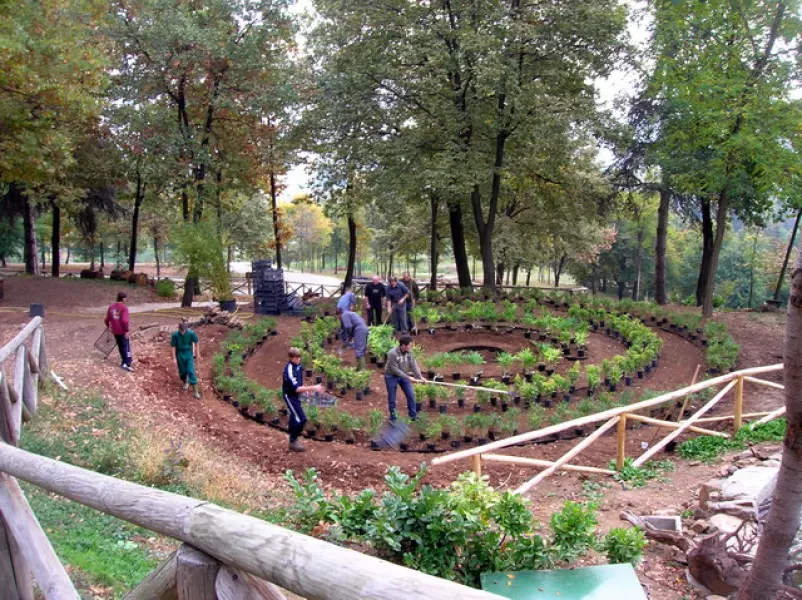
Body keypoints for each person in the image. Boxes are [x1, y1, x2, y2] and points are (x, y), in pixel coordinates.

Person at [282, 347, 325, 452]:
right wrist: (314, 387)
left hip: (296, 396)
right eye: (297, 358)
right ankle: (293, 440)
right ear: (292, 358)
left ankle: (292, 439)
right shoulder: (289, 370)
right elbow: (296, 388)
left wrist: (306, 391)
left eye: (299, 358)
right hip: (290, 396)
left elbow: (299, 384)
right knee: (301, 419)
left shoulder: (298, 366)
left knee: (294, 416)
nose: (299, 360)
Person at [384, 336, 424, 421]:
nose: (410, 347)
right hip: (391, 376)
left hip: (404, 375)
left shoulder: (409, 353)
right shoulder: (392, 353)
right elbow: (395, 370)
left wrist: (420, 376)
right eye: (409, 345)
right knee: (392, 398)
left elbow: (414, 365)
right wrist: (409, 377)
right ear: (403, 345)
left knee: (411, 395)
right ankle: (393, 418)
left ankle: (413, 416)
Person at [171, 320, 201, 399]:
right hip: (180, 354)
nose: (182, 333)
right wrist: (174, 358)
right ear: (179, 329)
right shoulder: (175, 335)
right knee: (182, 371)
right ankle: (185, 382)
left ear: (186, 329)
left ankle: (196, 392)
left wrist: (197, 354)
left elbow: (197, 342)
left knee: (191, 371)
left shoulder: (191, 333)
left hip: (188, 353)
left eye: (184, 331)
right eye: (181, 331)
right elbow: (173, 346)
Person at [105, 291, 134, 372]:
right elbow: (125, 321)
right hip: (122, 331)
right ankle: (126, 364)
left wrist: (108, 327)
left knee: (120, 346)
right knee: (126, 346)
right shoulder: (124, 308)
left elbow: (106, 319)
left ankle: (123, 361)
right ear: (123, 299)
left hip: (115, 331)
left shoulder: (111, 307)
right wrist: (126, 331)